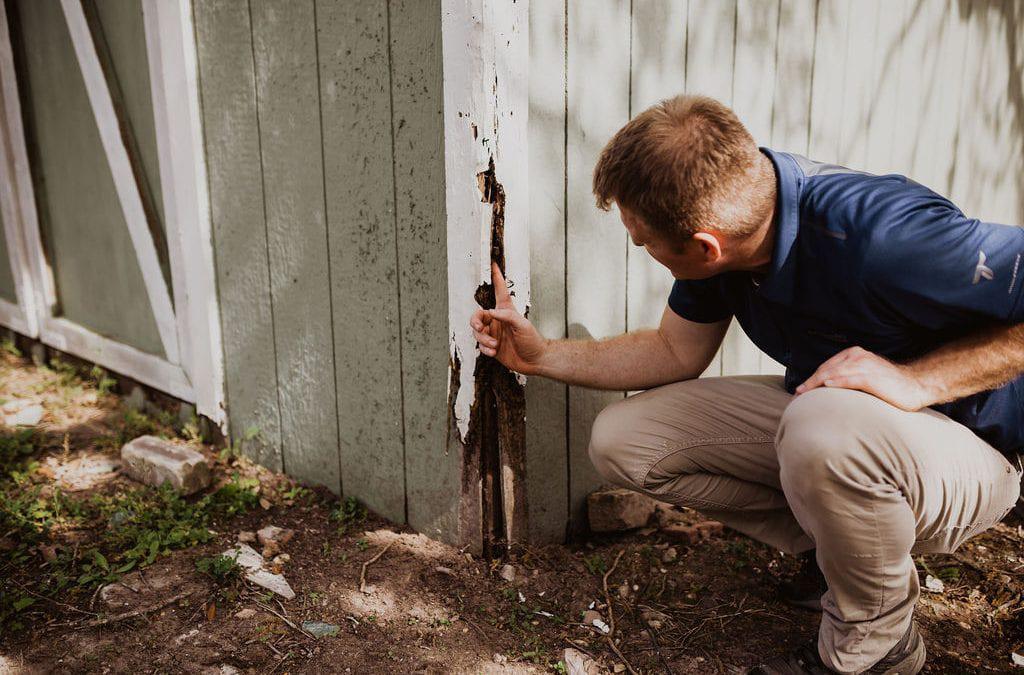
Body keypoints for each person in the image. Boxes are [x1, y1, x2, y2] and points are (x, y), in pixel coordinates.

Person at [470, 94, 1024, 674]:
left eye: (643, 241)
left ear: (705, 246)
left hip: (974, 449)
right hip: (844, 429)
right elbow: (675, 349)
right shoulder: (735, 226)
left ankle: (876, 648)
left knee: (819, 426)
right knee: (624, 439)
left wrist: (918, 380)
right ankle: (845, 556)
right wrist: (541, 355)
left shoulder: (884, 235)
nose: (641, 247)